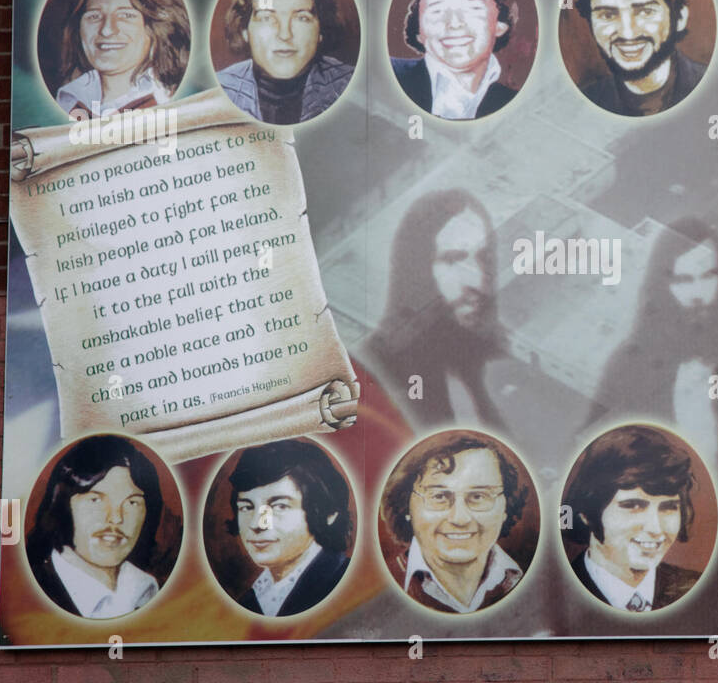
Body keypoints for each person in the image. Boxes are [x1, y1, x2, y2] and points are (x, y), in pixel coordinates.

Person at [585, 218, 718, 473]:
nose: (698, 292)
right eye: (683, 280)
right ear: (662, 284)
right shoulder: (630, 363)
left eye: (708, 276)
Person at [365, 189, 507, 431]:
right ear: (424, 270)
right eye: (453, 260)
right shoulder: (378, 371)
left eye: (484, 258)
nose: (476, 280)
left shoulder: (486, 353)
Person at [379, 430, 530, 613]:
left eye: (478, 496)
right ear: (406, 506)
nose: (460, 518)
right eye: (439, 496)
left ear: (506, 507)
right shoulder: (378, 590)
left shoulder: (537, 583)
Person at [562, 425, 703, 611]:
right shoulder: (557, 593)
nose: (655, 529)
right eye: (633, 506)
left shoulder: (698, 590)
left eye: (669, 508)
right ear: (587, 513)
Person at [25, 434, 166, 619]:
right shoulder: (30, 595)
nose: (116, 518)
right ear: (62, 505)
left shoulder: (148, 590)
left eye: (132, 503)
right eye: (96, 500)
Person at [572, 0, 707, 117]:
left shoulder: (715, 86)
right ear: (591, 23)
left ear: (679, 18)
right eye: (607, 15)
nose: (628, 33)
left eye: (645, 12)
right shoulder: (581, 104)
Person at [216, 0, 354, 124]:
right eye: (267, 18)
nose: (284, 34)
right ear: (244, 30)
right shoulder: (217, 90)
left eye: (301, 18)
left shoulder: (352, 86)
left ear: (321, 31)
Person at [225, 440, 353, 617]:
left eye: (279, 506)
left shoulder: (346, 583)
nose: (257, 524)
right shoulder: (250, 600)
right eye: (247, 507)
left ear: (328, 513)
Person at [52, 0, 189, 118]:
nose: (107, 30)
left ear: (156, 28)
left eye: (125, 15)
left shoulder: (170, 100)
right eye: (94, 16)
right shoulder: (69, 99)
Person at [390, 0, 519, 120]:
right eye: (437, 11)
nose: (455, 23)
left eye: (473, 8)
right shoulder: (386, 76)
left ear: (500, 25)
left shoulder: (516, 103)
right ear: (419, 32)